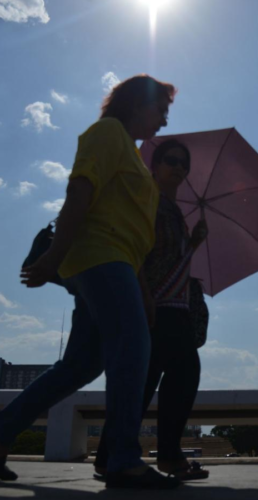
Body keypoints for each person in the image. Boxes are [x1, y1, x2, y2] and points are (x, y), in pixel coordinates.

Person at [0, 75, 180, 490]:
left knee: (79, 366)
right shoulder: (107, 133)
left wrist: (144, 291)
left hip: (118, 263)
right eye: (161, 111)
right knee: (133, 349)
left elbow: (131, 232)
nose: (163, 123)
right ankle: (121, 458)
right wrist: (52, 257)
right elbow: (80, 192)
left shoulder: (134, 158)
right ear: (137, 104)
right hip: (99, 258)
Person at [93, 139, 209, 481]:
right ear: (154, 166)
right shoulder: (149, 202)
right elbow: (136, 249)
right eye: (171, 161)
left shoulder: (174, 211)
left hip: (174, 305)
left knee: (151, 379)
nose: (178, 167)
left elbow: (172, 256)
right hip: (154, 303)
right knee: (178, 373)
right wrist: (142, 294)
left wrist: (194, 243)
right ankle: (166, 456)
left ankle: (109, 455)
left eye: (183, 164)